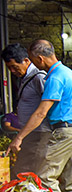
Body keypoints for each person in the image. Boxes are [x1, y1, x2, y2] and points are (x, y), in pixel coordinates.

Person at [8, 40, 72, 192]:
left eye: (32, 59)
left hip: (64, 131)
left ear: (39, 59)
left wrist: (19, 137)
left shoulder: (54, 78)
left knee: (44, 177)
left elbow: (41, 112)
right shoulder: (67, 72)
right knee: (69, 178)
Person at [1, 43, 50, 176]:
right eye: (9, 68)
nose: (12, 71)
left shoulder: (39, 78)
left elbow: (47, 105)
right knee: (23, 171)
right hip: (29, 135)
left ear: (26, 60)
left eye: (14, 67)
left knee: (25, 171)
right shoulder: (23, 79)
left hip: (39, 134)